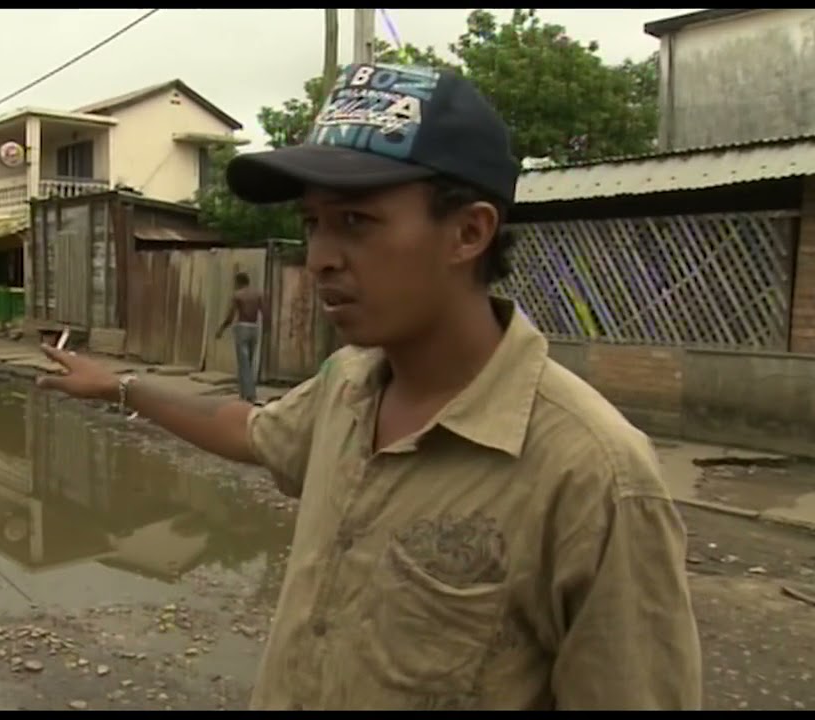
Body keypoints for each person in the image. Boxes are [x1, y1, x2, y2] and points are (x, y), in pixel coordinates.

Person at [35, 63, 701, 710]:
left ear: (469, 232)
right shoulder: (349, 385)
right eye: (312, 224)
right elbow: (251, 430)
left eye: (355, 222)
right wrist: (121, 388)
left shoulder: (595, 476)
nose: (320, 257)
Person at [214, 272, 267, 403]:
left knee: (244, 364)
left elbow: (231, 315)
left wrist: (221, 329)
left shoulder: (237, 295)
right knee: (249, 362)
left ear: (239, 282)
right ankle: (244, 393)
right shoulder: (258, 294)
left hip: (242, 328)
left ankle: (249, 394)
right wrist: (266, 329)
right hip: (254, 328)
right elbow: (265, 312)